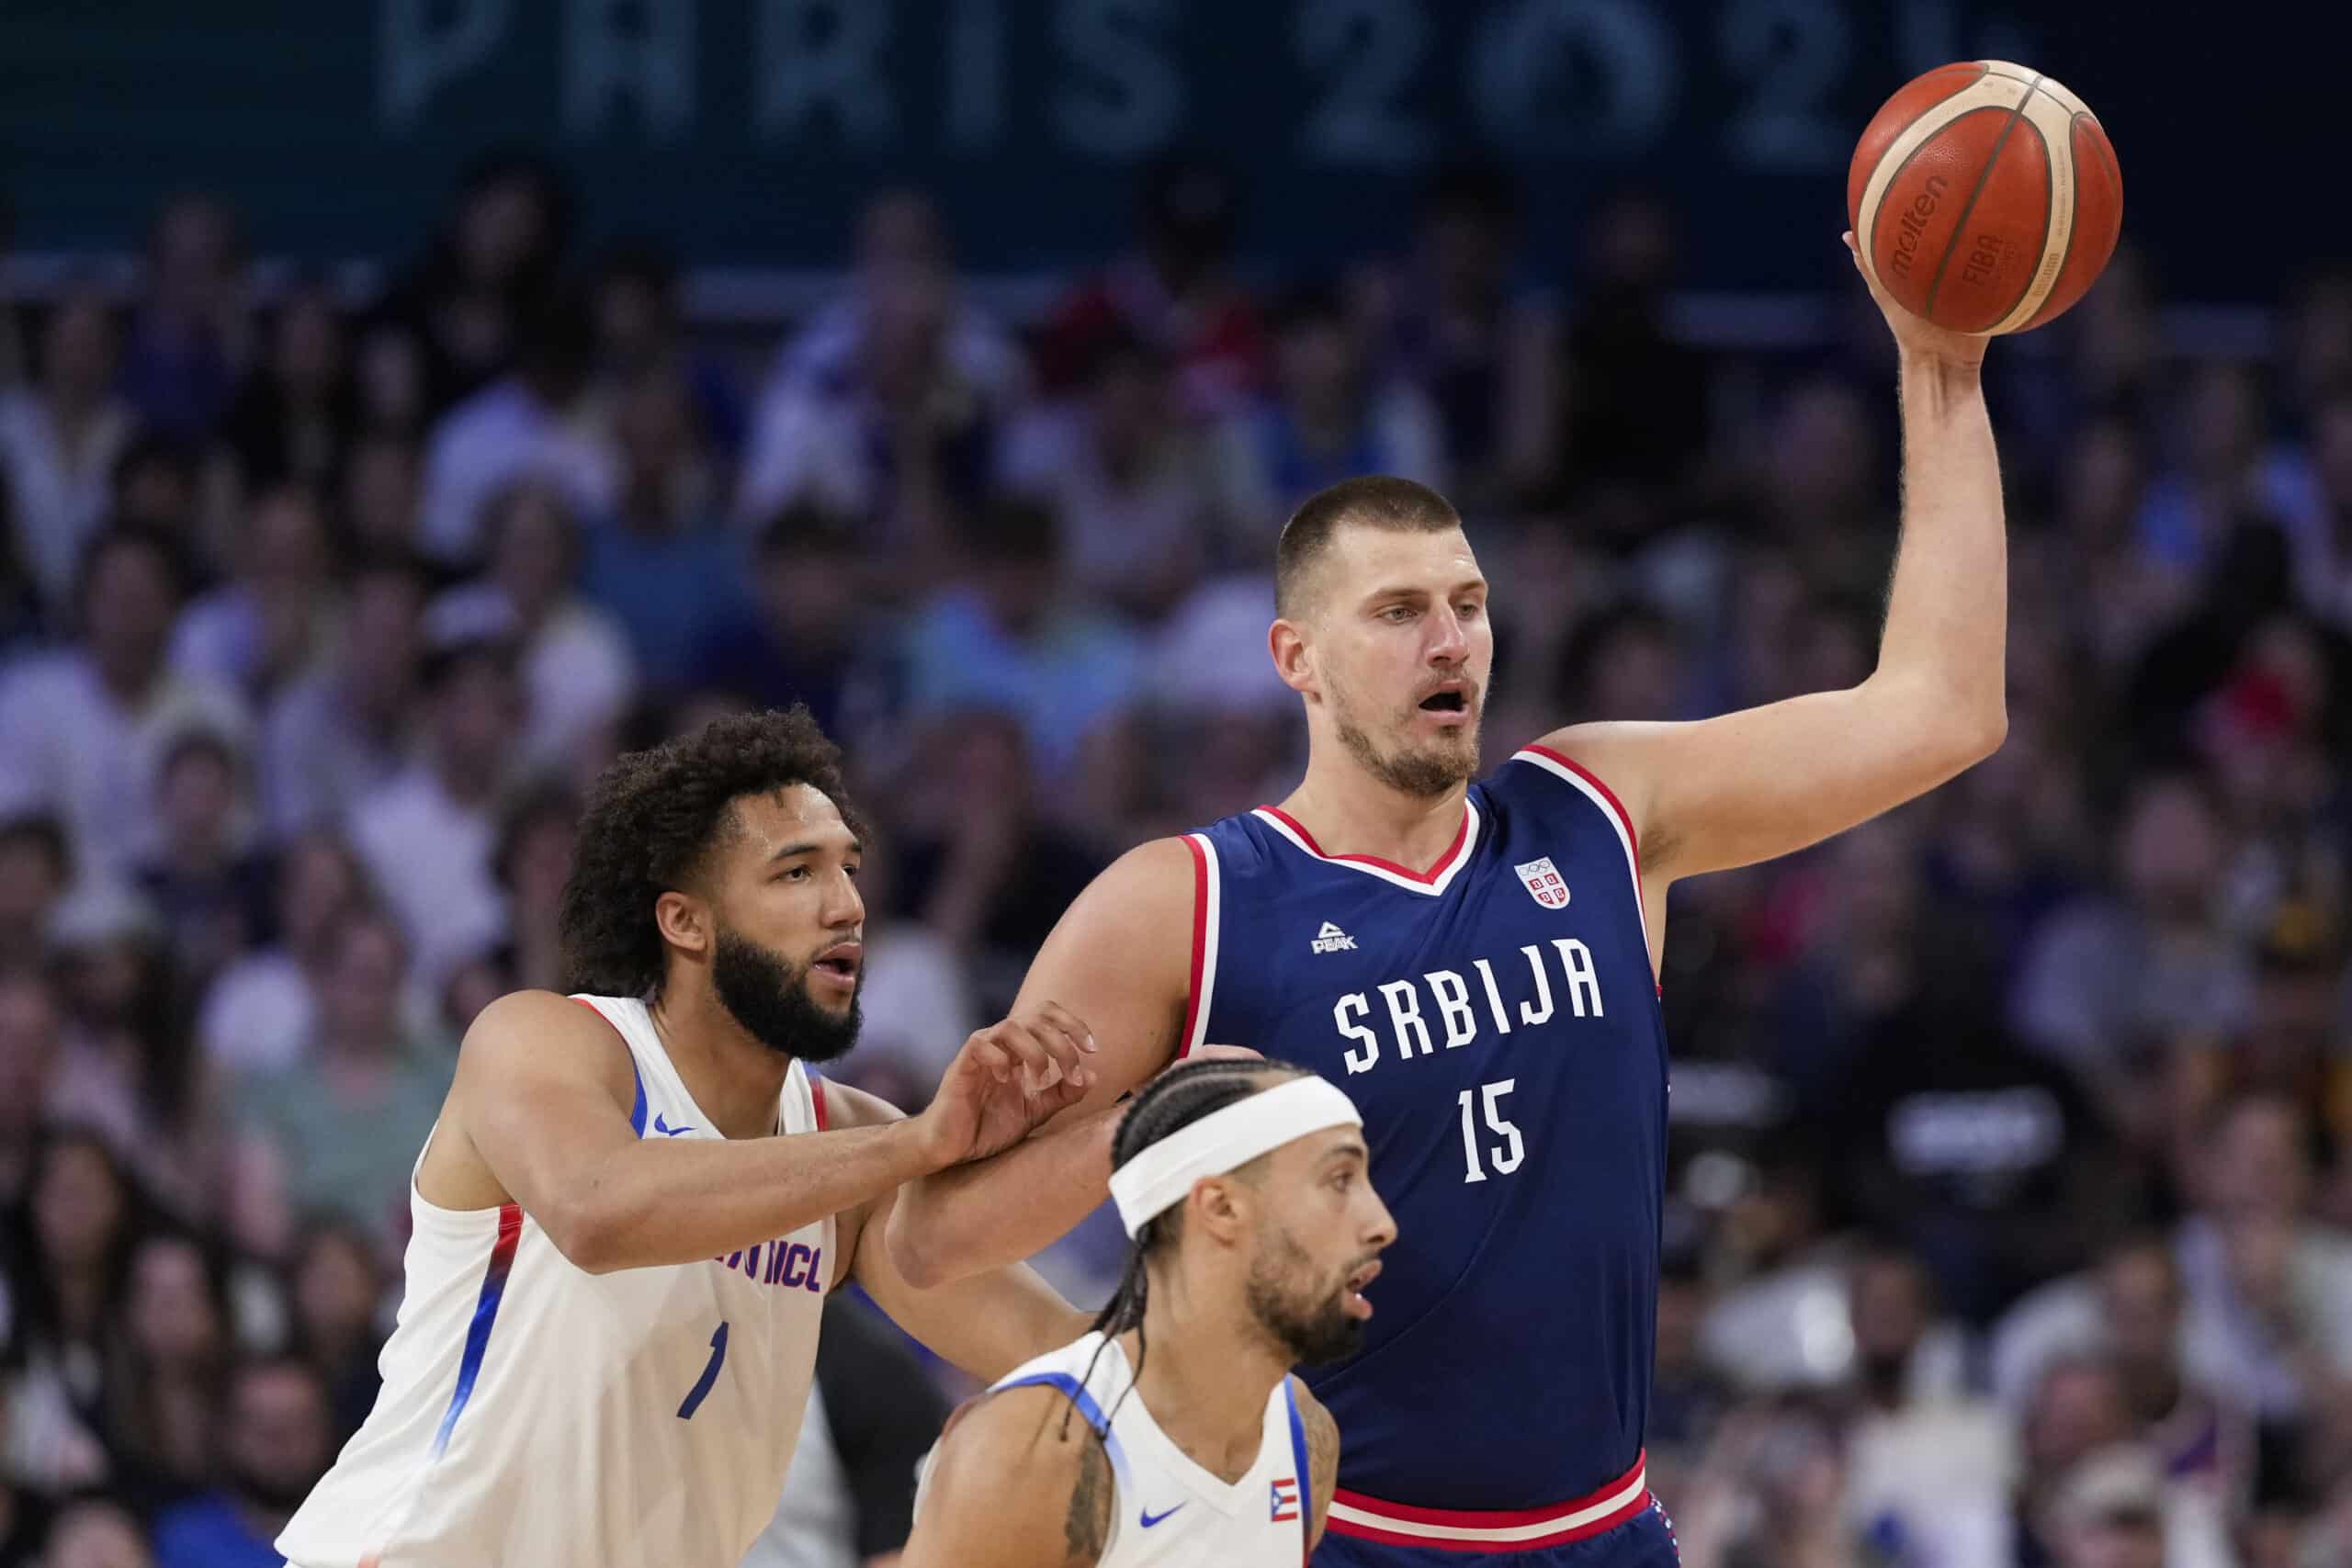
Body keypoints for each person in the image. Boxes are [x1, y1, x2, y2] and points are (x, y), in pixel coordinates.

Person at [888, 234, 2011, 1564]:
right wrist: (1153, 1123)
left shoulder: (1600, 808)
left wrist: (1941, 364)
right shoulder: (1187, 900)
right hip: (1341, 1534)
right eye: (1401, 610)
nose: (1450, 640)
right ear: (1296, 658)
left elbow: (1944, 708)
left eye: (1469, 605)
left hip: (1606, 1530)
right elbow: (929, 1243)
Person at [272, 705, 1101, 1567]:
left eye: (849, 869)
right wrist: (918, 1144)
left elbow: (1071, 1356)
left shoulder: (844, 1139)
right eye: (796, 872)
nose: (846, 904)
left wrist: (1150, 1136)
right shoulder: (547, 1043)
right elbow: (596, 1211)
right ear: (685, 921)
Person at [902, 1058, 1388, 1566]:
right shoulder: (1035, 1451)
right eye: (1339, 1181)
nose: (1382, 1224)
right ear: (1220, 1209)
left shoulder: (1307, 1437)